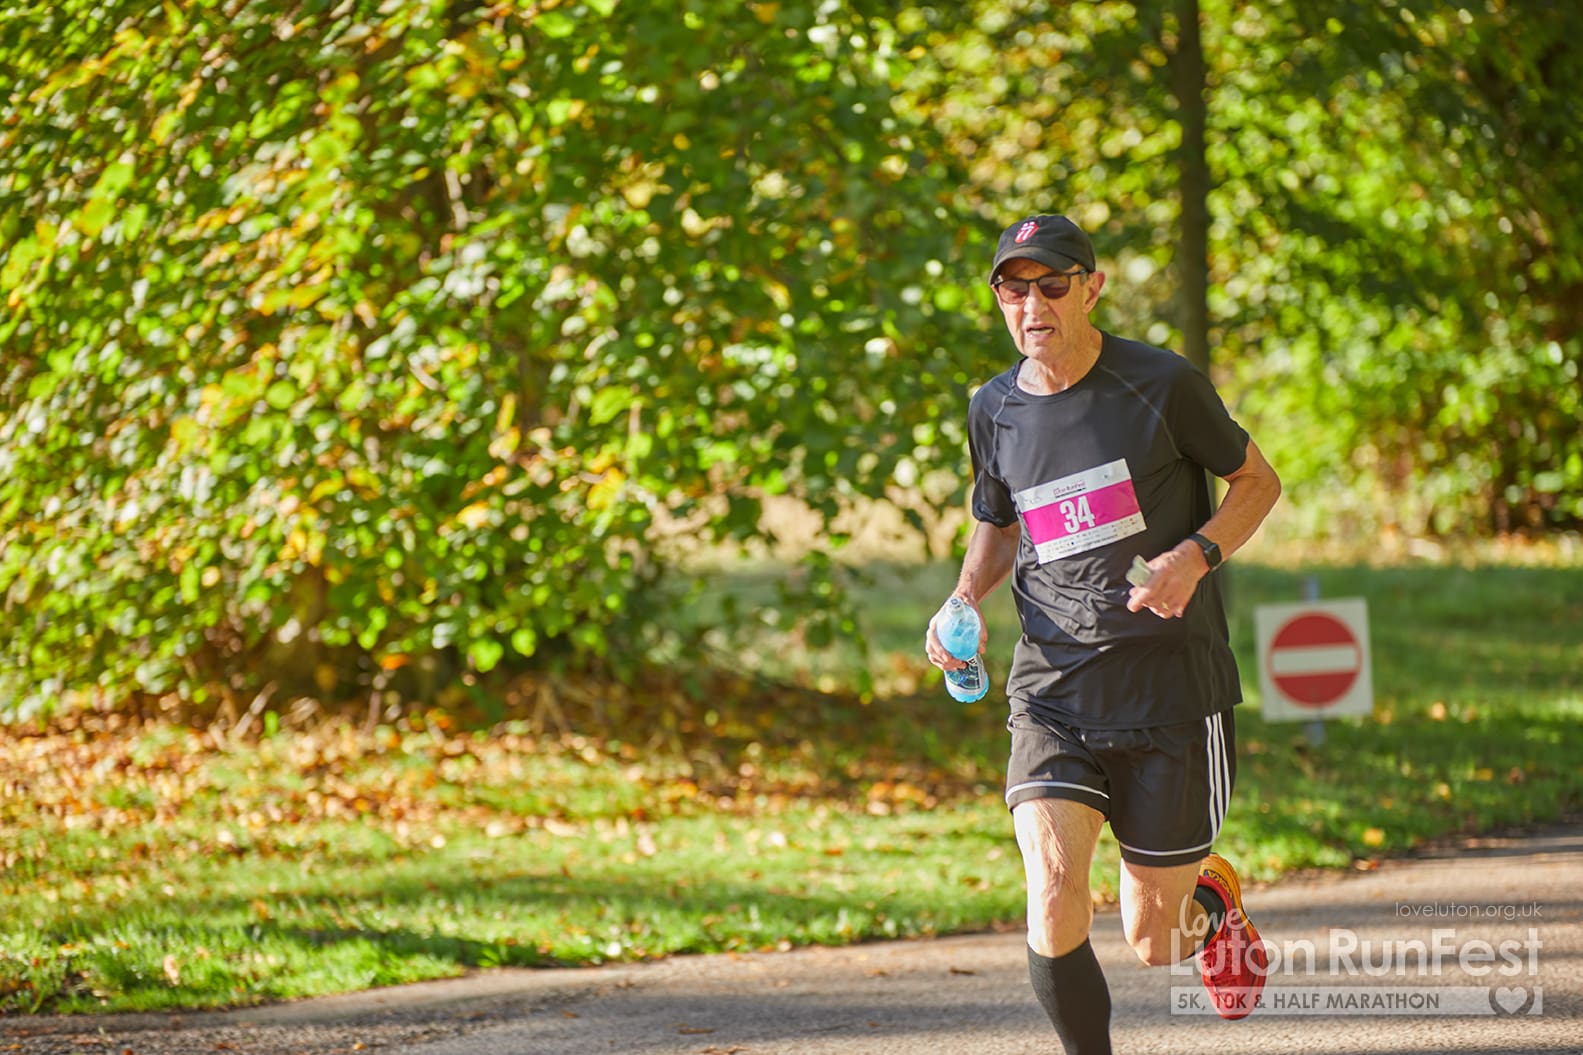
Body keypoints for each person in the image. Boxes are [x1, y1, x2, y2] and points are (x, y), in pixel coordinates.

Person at [925, 214, 1282, 1052]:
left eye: (1052, 284)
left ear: (1092, 288)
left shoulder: (1160, 384)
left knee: (1153, 939)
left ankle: (1208, 902)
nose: (1032, 305)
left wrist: (1196, 556)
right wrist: (963, 597)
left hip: (1170, 689)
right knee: (1052, 893)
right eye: (1013, 289)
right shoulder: (993, 407)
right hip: (1051, 689)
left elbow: (1256, 482)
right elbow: (997, 520)